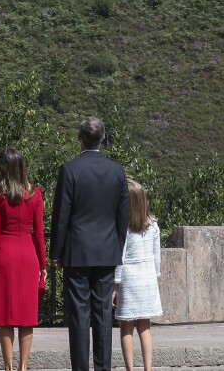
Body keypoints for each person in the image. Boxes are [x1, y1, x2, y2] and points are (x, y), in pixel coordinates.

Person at [50, 116, 130, 371]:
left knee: (79, 317)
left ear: (79, 139)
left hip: (77, 253)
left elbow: (61, 215)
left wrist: (56, 253)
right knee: (103, 315)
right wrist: (116, 248)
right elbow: (122, 216)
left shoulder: (70, 169)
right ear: (103, 139)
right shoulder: (117, 171)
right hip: (106, 252)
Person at [0, 147, 47, 371]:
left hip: (4, 254)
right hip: (28, 254)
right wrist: (43, 264)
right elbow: (39, 233)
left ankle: (8, 367)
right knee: (27, 316)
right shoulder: (35, 194)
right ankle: (23, 366)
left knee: (5, 317)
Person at [112, 180, 163, 371]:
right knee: (145, 327)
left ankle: (130, 369)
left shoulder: (124, 229)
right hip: (148, 279)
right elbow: (156, 257)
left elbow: (120, 259)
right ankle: (148, 368)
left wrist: (115, 285)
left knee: (126, 327)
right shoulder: (153, 226)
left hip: (130, 279)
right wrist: (155, 277)